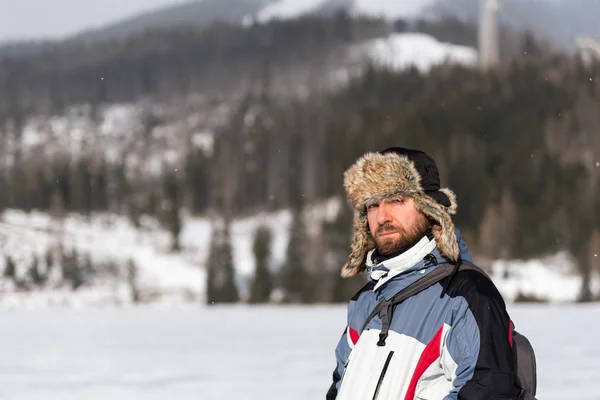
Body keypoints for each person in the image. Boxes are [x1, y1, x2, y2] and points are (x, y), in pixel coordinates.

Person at [326, 147, 521, 400]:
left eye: (396, 200)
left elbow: (489, 392)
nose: (382, 216)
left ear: (429, 207)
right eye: (373, 204)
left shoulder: (465, 297)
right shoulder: (364, 303)